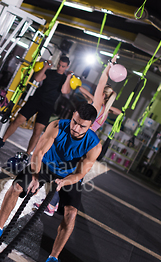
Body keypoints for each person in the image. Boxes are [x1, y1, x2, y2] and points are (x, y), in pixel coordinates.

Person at [0, 103, 101, 262]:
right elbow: (39, 152)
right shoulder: (57, 126)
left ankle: (53, 259)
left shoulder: (94, 145)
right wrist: (35, 176)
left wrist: (64, 181)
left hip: (69, 174)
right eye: (74, 121)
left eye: (82, 126)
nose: (75, 127)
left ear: (91, 125)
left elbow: (81, 173)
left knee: (71, 214)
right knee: (16, 187)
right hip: (45, 165)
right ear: (72, 116)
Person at [35, 55, 121, 216]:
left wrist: (110, 65)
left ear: (103, 94)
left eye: (101, 91)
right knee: (72, 173)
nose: (98, 90)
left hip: (78, 140)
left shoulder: (96, 105)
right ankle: (53, 203)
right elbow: (117, 110)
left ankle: (51, 203)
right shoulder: (105, 111)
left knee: (63, 169)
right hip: (87, 144)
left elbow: (102, 81)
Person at [0, 56, 71, 163]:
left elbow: (64, 91)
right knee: (18, 120)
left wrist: (69, 76)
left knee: (37, 131)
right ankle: (2, 140)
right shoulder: (50, 72)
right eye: (59, 65)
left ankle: (27, 154)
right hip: (36, 100)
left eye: (63, 66)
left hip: (47, 106)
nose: (60, 67)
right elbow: (37, 79)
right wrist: (45, 67)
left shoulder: (65, 79)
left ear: (67, 67)